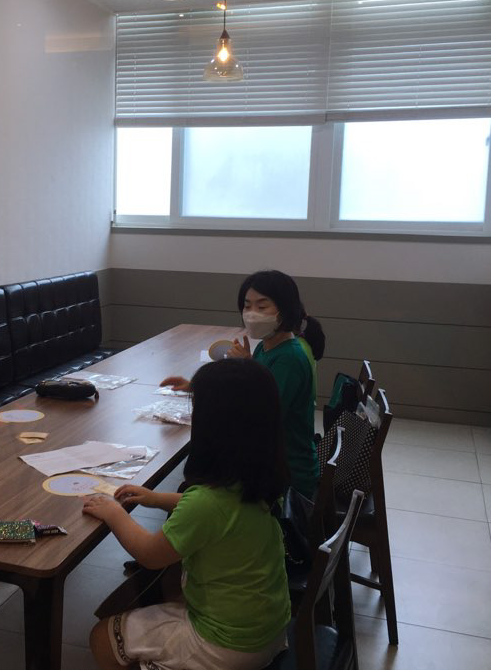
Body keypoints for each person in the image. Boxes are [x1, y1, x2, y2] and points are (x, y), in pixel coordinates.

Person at [84, 359, 292, 670]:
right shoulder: (260, 481)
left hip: (225, 647)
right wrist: (157, 499)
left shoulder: (206, 503)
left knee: (102, 636)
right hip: (268, 631)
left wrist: (114, 513)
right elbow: (220, 513)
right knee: (162, 590)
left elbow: (150, 554)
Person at [162, 270, 325, 499]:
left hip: (287, 475)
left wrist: (246, 366)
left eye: (262, 306)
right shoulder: (266, 347)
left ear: (285, 310)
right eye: (247, 306)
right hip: (270, 459)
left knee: (199, 482)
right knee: (195, 484)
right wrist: (197, 387)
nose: (252, 314)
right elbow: (243, 394)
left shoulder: (289, 358)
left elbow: (260, 416)